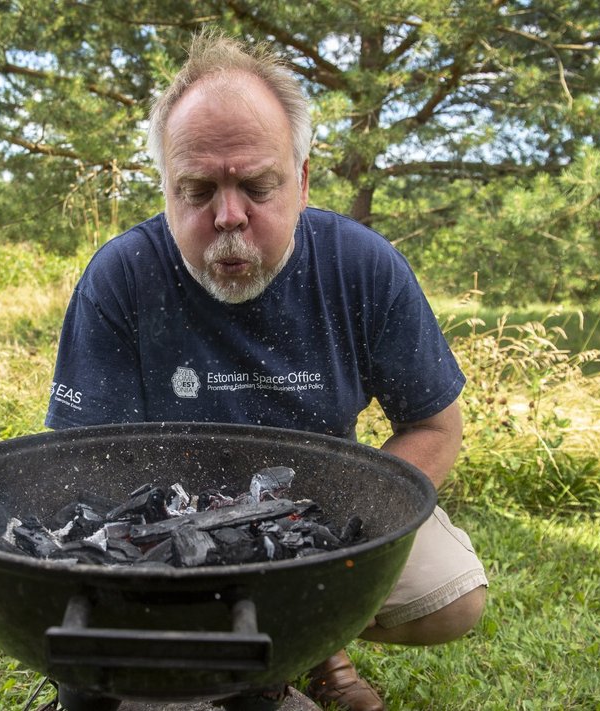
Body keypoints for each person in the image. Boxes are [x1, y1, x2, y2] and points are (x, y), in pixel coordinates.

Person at [46, 31, 487, 711]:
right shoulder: (121, 277)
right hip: (171, 523)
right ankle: (244, 665)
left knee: (454, 596)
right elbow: (79, 462)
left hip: (318, 508)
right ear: (164, 188)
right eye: (196, 191)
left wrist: (332, 535)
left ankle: (313, 643)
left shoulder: (362, 268)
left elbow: (434, 424)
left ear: (303, 179)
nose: (229, 217)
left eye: (257, 185)